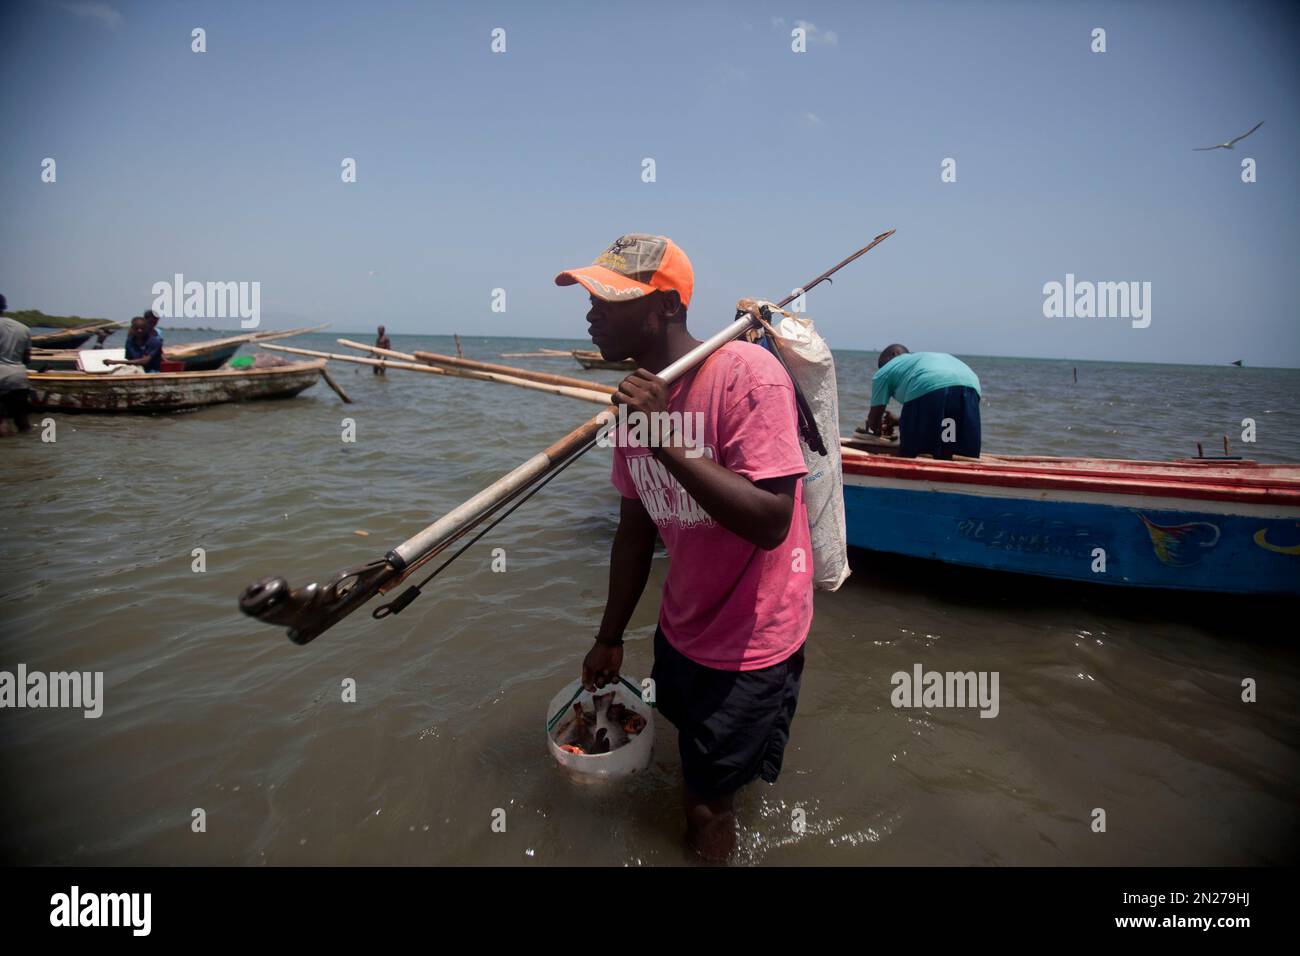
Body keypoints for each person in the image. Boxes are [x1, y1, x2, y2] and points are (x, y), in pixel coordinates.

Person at [557, 234, 812, 862]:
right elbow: (635, 528)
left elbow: (772, 520)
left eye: (607, 301)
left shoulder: (746, 376)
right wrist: (610, 634)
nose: (591, 314)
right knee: (694, 757)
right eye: (591, 299)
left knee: (705, 807)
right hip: (683, 627)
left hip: (753, 642)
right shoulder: (638, 399)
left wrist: (662, 435)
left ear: (665, 307)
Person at [864, 345, 981, 459]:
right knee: (947, 442)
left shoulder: (885, 370)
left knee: (909, 450)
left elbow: (874, 420)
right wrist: (899, 421)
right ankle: (945, 466)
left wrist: (875, 427)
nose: (882, 368)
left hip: (929, 383)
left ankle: (905, 471)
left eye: (881, 365)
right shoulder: (919, 361)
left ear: (895, 354)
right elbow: (935, 413)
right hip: (969, 387)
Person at [0, 294, 33, 436]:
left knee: (2, 420)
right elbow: (27, 359)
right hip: (19, 378)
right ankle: (27, 450)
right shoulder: (23, 328)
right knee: (22, 420)